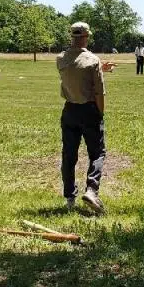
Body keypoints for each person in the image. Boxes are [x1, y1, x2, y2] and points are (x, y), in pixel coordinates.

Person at [56, 22, 113, 214]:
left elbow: (76, 70)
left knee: (69, 154)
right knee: (97, 152)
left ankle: (69, 197)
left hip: (70, 110)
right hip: (89, 110)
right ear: (87, 36)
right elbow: (99, 92)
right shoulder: (93, 60)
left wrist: (100, 68)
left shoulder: (60, 59)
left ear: (71, 36)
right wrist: (100, 114)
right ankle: (91, 190)